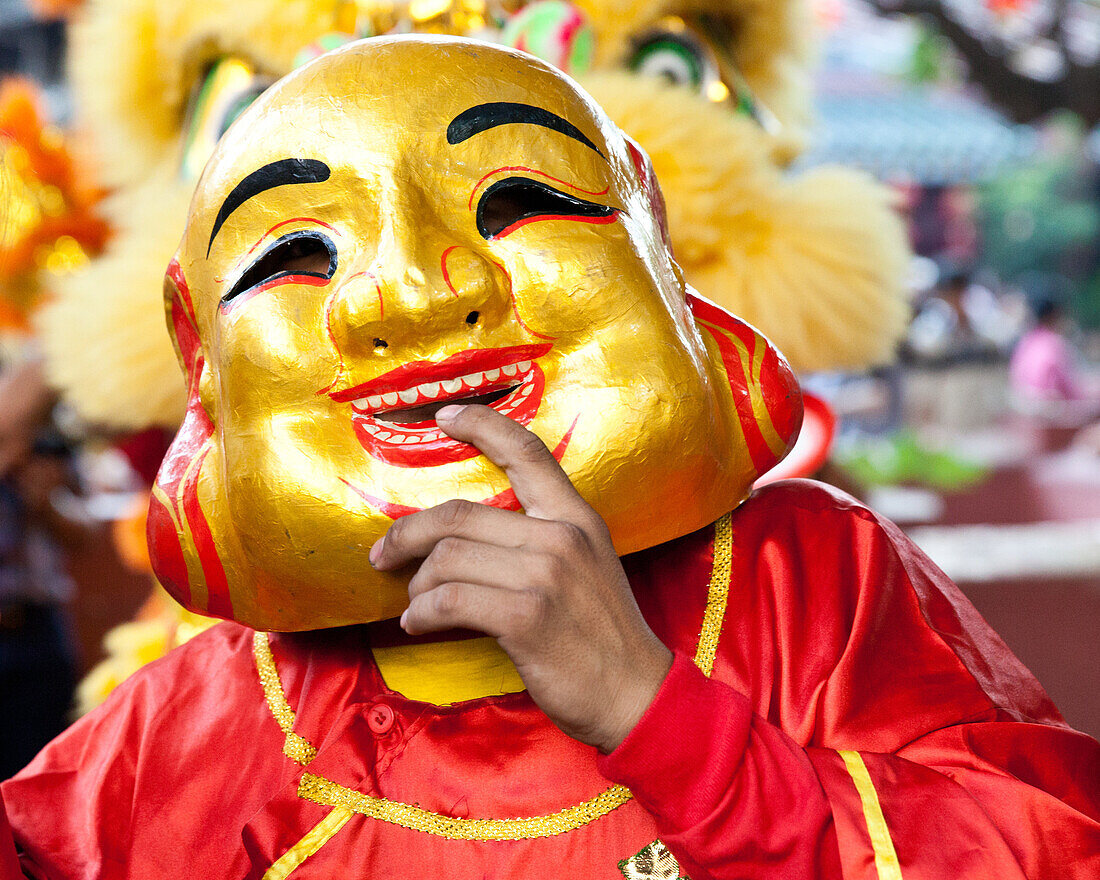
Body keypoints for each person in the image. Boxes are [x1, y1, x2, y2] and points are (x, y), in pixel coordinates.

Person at [1, 38, 1097, 879]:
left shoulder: (811, 585)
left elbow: (1042, 847)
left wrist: (653, 711)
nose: (415, 296)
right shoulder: (185, 737)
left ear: (654, 249)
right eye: (295, 252)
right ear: (202, 354)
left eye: (519, 198)